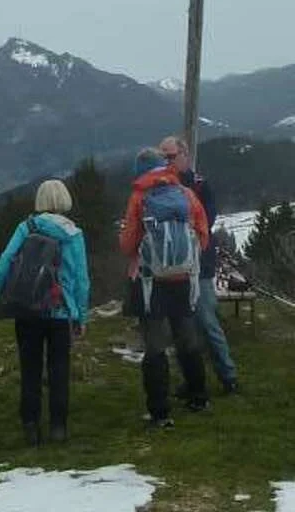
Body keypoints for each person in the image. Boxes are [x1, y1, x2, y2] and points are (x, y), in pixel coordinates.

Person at [0, 179, 91, 446]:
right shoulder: (74, 234)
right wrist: (80, 315)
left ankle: (30, 425)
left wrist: (4, 293)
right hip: (60, 312)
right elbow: (82, 280)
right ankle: (58, 426)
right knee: (59, 369)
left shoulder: (26, 228)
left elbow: (3, 264)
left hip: (28, 310)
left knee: (30, 368)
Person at [120, 148, 211, 429]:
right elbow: (203, 235)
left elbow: (128, 243)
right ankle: (198, 396)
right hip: (184, 281)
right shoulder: (186, 194)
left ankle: (160, 412)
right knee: (187, 339)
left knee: (155, 347)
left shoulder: (139, 197)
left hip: (151, 283)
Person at [159, 135, 239, 395]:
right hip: (171, 267)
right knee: (182, 327)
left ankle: (228, 376)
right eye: (163, 157)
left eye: (170, 156)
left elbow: (209, 219)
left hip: (199, 263)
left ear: (184, 156)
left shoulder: (199, 185)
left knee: (206, 321)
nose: (166, 162)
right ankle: (191, 380)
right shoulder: (159, 186)